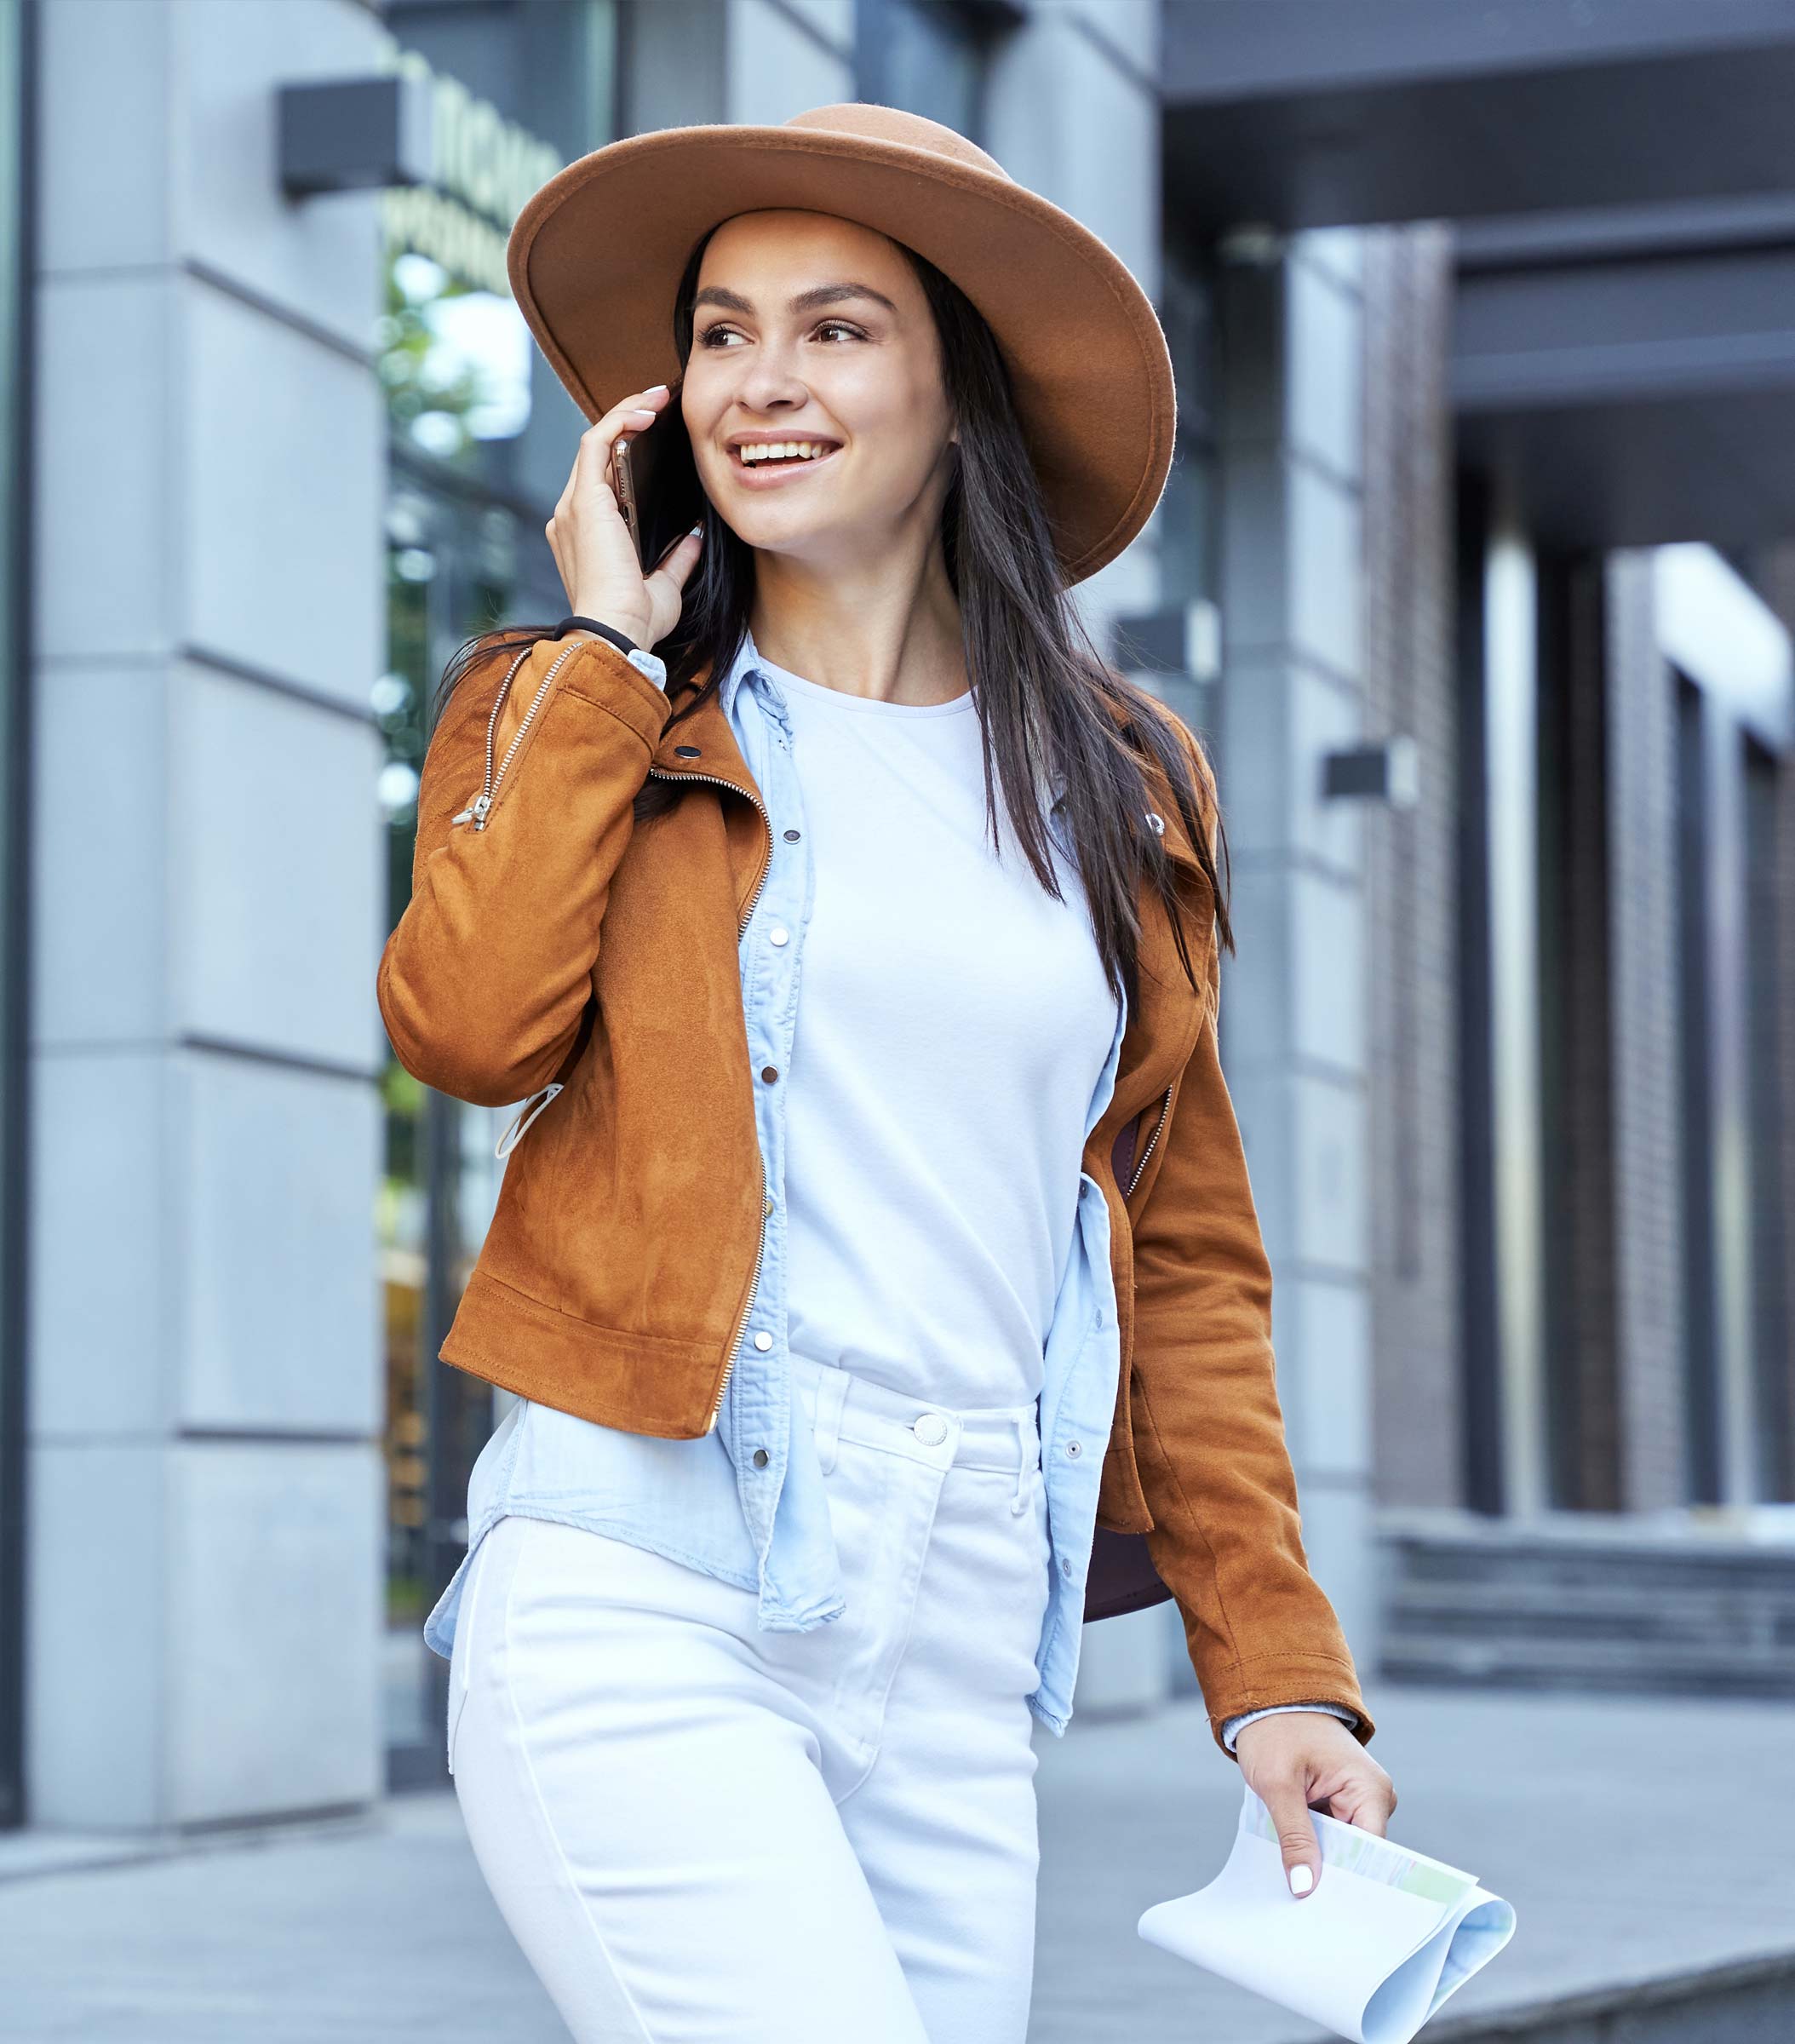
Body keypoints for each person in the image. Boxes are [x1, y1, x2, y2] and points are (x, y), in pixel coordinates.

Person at [378, 101, 1396, 2044]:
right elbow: (467, 1027)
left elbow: (1182, 1261)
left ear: (960, 389)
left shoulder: (1124, 787)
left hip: (965, 1619)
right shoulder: (583, 710)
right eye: (722, 332)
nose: (760, 383)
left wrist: (1274, 1669)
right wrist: (606, 648)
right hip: (649, 1574)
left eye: (834, 330)